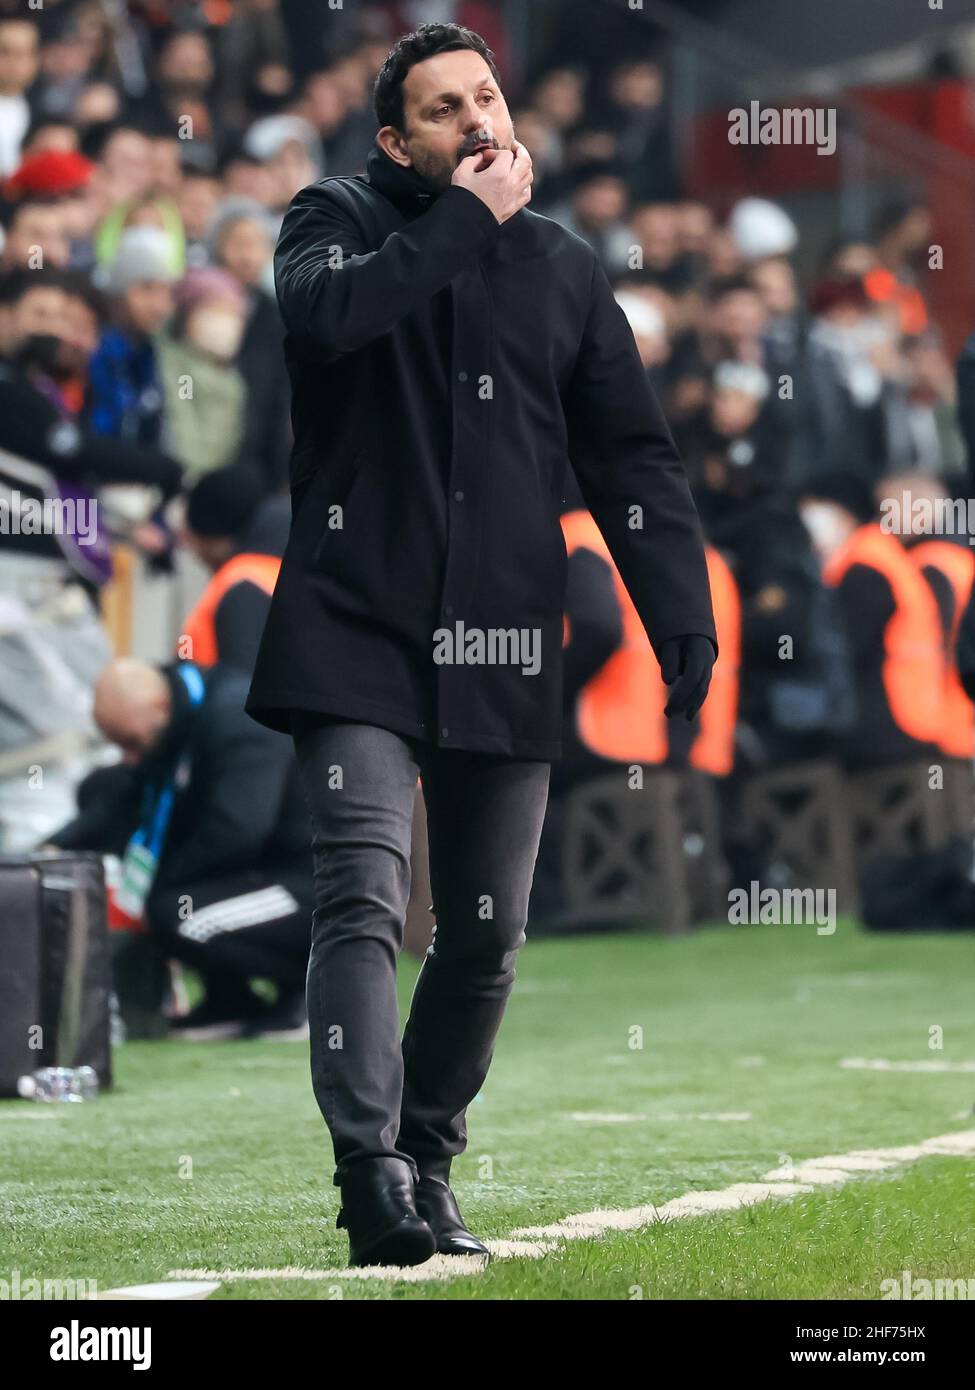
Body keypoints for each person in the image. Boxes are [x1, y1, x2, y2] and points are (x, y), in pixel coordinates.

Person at [246, 22, 716, 1269]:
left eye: (489, 97)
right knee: (361, 895)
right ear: (399, 140)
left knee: (488, 933)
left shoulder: (563, 268)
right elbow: (330, 319)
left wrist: (680, 609)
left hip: (503, 632)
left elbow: (631, 457)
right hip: (353, 621)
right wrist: (463, 220)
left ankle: (431, 1156)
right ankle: (371, 1174)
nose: (480, 121)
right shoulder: (330, 219)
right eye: (446, 110)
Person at [48, 657, 313, 1041]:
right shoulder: (177, 721)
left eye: (131, 742)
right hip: (257, 872)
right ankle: (231, 1001)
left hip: (307, 884)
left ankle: (310, 990)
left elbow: (238, 831)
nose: (129, 757)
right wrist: (57, 845)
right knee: (106, 795)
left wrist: (160, 884)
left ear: (159, 707)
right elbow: (123, 796)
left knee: (178, 915)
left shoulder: (239, 718)